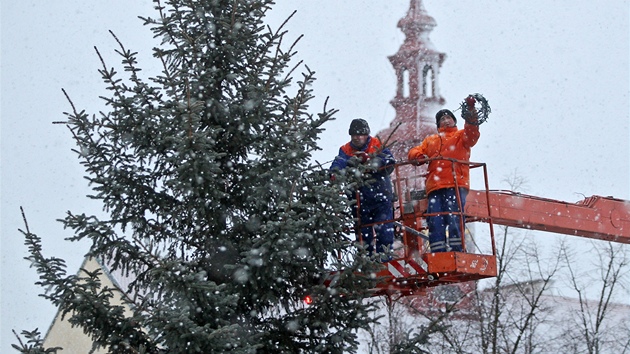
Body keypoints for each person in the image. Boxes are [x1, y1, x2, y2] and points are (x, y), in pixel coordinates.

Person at [407, 96, 480, 252]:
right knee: (435, 219)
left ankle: (456, 249)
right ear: (438, 124)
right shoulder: (431, 140)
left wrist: (471, 113)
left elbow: (473, 133)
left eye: (448, 117)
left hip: (455, 185)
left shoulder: (461, 136)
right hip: (435, 187)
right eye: (442, 119)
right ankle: (437, 251)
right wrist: (418, 157)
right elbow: (414, 151)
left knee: (454, 217)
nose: (446, 120)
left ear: (454, 121)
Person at [330, 118, 396, 259]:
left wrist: (371, 161)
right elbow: (338, 164)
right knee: (363, 236)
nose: (357, 138)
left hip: (380, 196)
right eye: (354, 135)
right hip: (359, 200)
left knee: (384, 232)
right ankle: (366, 262)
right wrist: (336, 173)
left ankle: (384, 261)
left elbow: (389, 162)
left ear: (367, 134)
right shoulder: (345, 150)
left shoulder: (376, 144)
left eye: (360, 134)